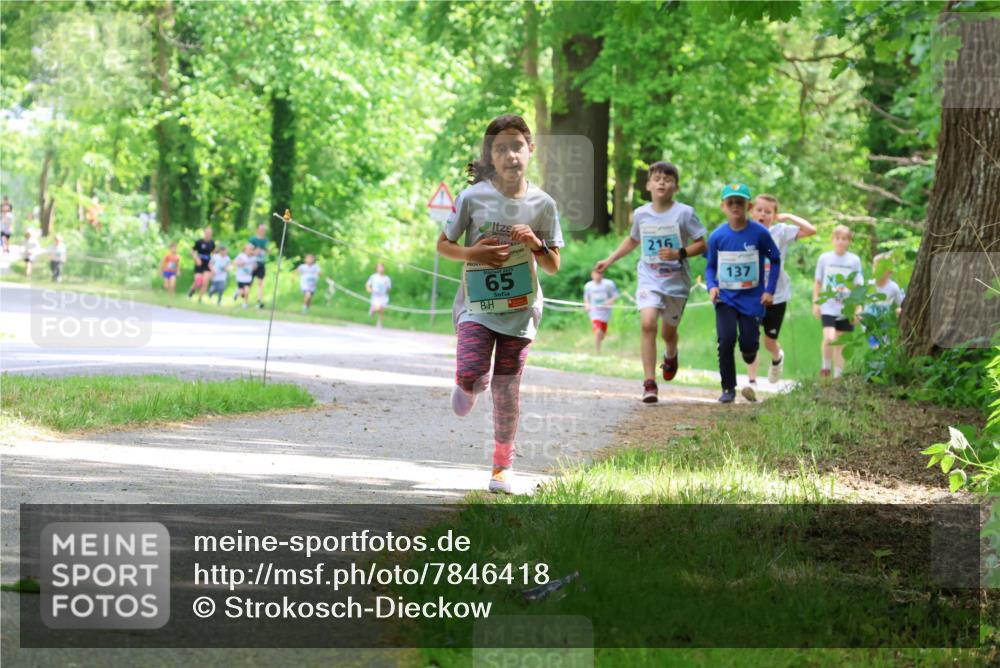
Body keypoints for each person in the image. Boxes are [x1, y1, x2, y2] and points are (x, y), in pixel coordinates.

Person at [436, 113, 563, 494]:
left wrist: (536, 244)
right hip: (478, 305)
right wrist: (475, 252)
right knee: (474, 373)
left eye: (517, 147)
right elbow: (444, 246)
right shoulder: (472, 198)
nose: (510, 155)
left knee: (508, 389)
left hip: (522, 308)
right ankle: (468, 383)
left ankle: (502, 468)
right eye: (501, 148)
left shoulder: (543, 204)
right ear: (491, 155)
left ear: (530, 150)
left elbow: (553, 265)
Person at [595, 161, 707, 403]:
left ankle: (671, 353)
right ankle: (649, 383)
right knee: (647, 323)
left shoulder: (685, 213)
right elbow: (633, 240)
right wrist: (610, 259)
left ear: (675, 186)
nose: (662, 182)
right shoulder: (641, 214)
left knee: (668, 332)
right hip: (649, 277)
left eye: (667, 179)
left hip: (676, 281)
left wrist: (680, 253)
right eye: (657, 178)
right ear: (648, 185)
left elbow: (702, 242)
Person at [705, 183, 781, 404]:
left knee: (748, 344)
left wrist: (769, 290)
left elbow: (774, 260)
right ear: (723, 206)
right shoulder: (717, 236)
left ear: (748, 206)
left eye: (740, 202)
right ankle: (728, 388)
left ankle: (749, 353)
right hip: (725, 298)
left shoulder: (760, 234)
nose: (735, 206)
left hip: (752, 298)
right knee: (726, 339)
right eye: (731, 202)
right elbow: (710, 266)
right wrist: (712, 285)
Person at [740, 194, 816, 401]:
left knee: (769, 341)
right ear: (751, 211)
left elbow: (811, 230)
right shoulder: (743, 231)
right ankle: (751, 382)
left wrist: (790, 216)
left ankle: (777, 358)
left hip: (777, 295)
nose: (763, 214)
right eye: (759, 210)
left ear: (774, 215)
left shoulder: (780, 232)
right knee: (751, 338)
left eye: (768, 211)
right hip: (751, 294)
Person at [812, 225, 864, 378]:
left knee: (841, 342)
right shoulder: (824, 258)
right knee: (829, 337)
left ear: (849, 241)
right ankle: (825, 368)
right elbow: (818, 282)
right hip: (828, 305)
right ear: (833, 240)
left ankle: (838, 376)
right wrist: (816, 302)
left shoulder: (854, 260)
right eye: (838, 238)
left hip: (846, 308)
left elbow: (857, 286)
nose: (841, 242)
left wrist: (857, 308)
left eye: (844, 239)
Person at [863, 253, 904, 349]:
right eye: (875, 266)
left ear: (890, 272)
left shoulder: (893, 287)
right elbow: (861, 302)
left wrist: (899, 310)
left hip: (885, 323)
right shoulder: (869, 285)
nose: (877, 270)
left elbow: (901, 304)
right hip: (870, 324)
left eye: (881, 268)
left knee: (886, 347)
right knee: (875, 347)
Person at [583, 268, 619, 354]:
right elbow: (586, 298)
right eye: (595, 274)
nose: (597, 276)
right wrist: (587, 306)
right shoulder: (588, 286)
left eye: (599, 274)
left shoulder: (609, 284)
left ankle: (600, 339)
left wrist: (609, 302)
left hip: (605, 312)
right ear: (592, 274)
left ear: (602, 275)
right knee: (598, 330)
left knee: (602, 333)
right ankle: (597, 351)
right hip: (594, 311)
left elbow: (615, 295)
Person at [187, 227, 215, 302]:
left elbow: (214, 254)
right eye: (206, 232)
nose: (208, 234)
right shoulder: (199, 242)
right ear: (204, 233)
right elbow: (192, 252)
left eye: (209, 233)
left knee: (205, 282)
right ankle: (191, 291)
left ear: (211, 234)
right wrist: (196, 258)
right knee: (198, 281)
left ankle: (200, 299)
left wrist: (212, 264)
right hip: (199, 264)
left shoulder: (212, 243)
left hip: (207, 265)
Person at [249, 223, 269, 309]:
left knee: (260, 283)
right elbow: (248, 252)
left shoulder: (266, 240)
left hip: (261, 264)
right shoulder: (253, 240)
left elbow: (267, 250)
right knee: (249, 282)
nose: (263, 231)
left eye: (264, 230)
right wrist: (254, 253)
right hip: (253, 263)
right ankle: (244, 295)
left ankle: (259, 301)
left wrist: (268, 250)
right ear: (257, 230)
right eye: (261, 229)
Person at [366, 263, 392, 329]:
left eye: (382, 267)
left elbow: (389, 290)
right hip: (375, 296)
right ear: (376, 269)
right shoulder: (373, 277)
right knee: (379, 308)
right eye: (379, 267)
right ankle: (372, 310)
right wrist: (370, 290)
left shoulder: (387, 278)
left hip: (383, 296)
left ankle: (379, 323)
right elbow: (367, 285)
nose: (381, 269)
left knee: (381, 310)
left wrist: (387, 287)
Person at [233, 243, 257, 309]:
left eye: (251, 249)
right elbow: (235, 262)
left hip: (248, 277)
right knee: (242, 292)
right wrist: (240, 263)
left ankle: (245, 303)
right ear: (245, 249)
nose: (250, 251)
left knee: (247, 291)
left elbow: (255, 265)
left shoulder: (253, 258)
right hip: (240, 277)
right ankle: (238, 292)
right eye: (249, 249)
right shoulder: (241, 256)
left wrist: (254, 267)